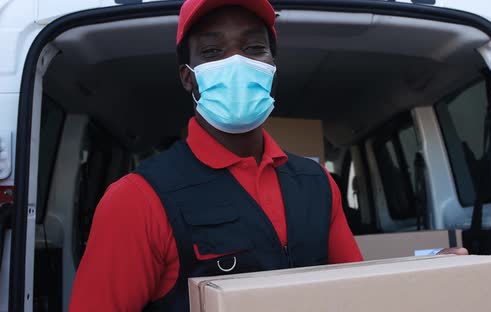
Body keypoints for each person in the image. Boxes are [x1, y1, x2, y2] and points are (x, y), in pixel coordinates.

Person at [69, 1, 467, 311]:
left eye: (254, 47)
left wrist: (427, 274)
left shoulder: (317, 184)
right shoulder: (137, 199)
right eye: (212, 51)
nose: (237, 62)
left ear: (272, 67)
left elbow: (354, 289)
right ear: (187, 75)